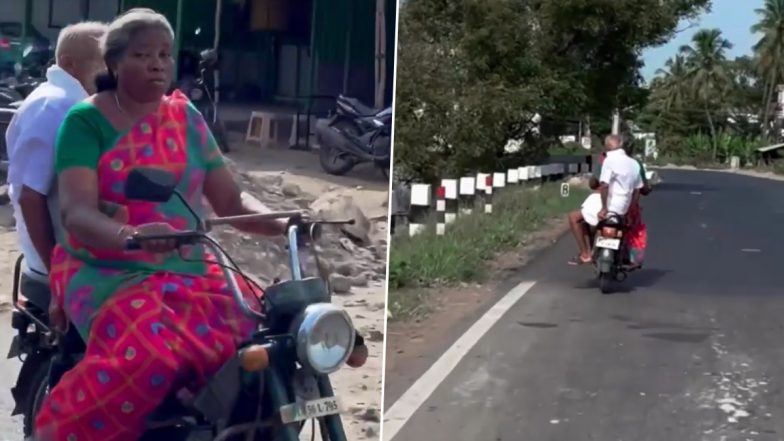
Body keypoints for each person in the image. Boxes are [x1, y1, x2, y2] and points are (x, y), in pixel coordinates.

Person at [33, 9, 367, 441]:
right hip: (109, 267)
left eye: (165, 54)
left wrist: (285, 220)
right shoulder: (85, 122)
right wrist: (131, 236)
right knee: (149, 357)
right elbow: (75, 212)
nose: (157, 64)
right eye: (142, 54)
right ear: (114, 63)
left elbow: (230, 199)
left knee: (267, 341)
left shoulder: (186, 118)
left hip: (191, 265)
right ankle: (57, 431)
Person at [5, 21, 108, 327]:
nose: (111, 73)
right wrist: (59, 277)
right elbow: (30, 196)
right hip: (59, 259)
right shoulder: (55, 106)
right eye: (103, 62)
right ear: (69, 64)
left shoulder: (73, 102)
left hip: (76, 245)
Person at [568, 135, 643, 265]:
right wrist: (630, 210)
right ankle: (624, 253)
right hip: (623, 208)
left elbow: (604, 185)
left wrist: (604, 208)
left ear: (607, 147)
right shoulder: (634, 164)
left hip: (610, 206)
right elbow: (637, 191)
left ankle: (585, 254)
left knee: (573, 217)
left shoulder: (609, 160)